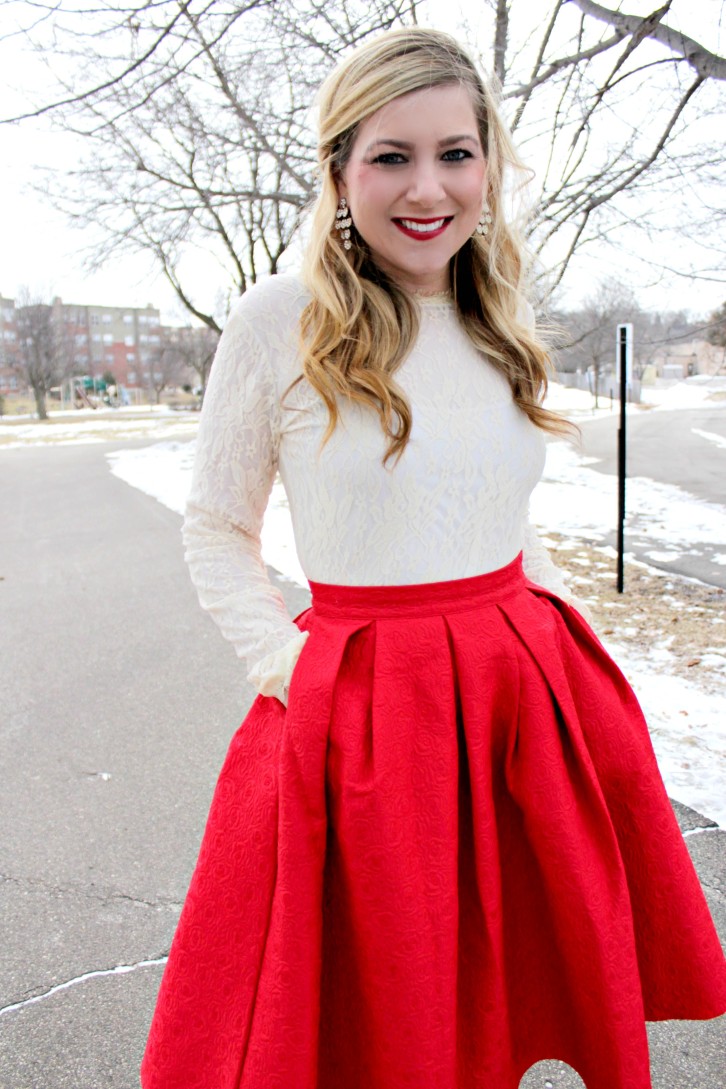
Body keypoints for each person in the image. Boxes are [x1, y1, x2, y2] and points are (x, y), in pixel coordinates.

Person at [140, 27, 726, 1089]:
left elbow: (496, 506)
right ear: (340, 171)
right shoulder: (282, 320)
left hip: (523, 694)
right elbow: (215, 524)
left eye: (456, 153)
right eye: (391, 156)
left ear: (490, 164)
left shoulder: (496, 314)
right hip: (364, 709)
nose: (429, 186)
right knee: (384, 1005)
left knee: (510, 981)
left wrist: (551, 637)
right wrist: (290, 667)